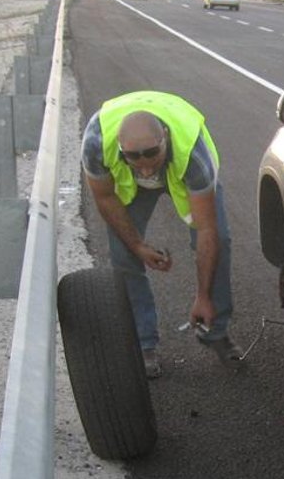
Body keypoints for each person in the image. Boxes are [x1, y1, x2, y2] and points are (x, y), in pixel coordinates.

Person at [81, 90, 241, 378]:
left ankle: (214, 329)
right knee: (122, 254)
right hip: (129, 180)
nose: (144, 167)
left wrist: (203, 296)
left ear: (165, 136)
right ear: (120, 147)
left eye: (152, 154)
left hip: (181, 169)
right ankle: (143, 343)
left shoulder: (194, 153)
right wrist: (138, 246)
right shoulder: (95, 143)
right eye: (133, 157)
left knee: (221, 241)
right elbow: (105, 199)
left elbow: (207, 230)